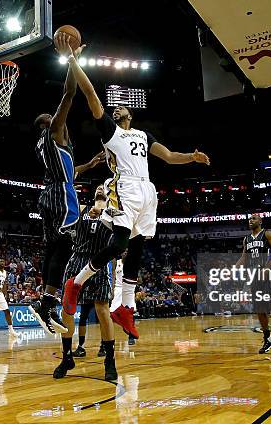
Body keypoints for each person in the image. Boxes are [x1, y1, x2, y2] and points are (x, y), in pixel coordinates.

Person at [56, 34, 210, 341]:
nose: (117, 111)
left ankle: (126, 307)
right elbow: (91, 96)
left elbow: (167, 156)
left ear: (132, 115)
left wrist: (191, 157)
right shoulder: (111, 133)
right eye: (115, 110)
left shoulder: (143, 135)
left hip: (147, 190)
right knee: (119, 245)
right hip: (124, 186)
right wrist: (73, 60)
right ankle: (78, 281)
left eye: (122, 110)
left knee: (137, 249)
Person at [28, 35, 100, 335]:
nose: (57, 117)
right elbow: (70, 92)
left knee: (53, 248)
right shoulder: (55, 130)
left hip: (51, 194)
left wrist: (88, 166)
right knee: (65, 246)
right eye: (52, 116)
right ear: (49, 123)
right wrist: (74, 58)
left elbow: (65, 173)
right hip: (62, 197)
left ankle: (43, 302)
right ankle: (47, 302)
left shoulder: (48, 147)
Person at [49, 184, 117, 380]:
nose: (99, 189)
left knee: (102, 309)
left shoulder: (113, 213)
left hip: (99, 261)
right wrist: (70, 184)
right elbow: (63, 199)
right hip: (78, 259)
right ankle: (67, 356)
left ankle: (109, 359)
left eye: (103, 188)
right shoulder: (81, 209)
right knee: (67, 308)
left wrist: (105, 211)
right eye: (97, 188)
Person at [235, 214, 271, 354]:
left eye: (254, 218)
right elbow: (244, 257)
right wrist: (234, 267)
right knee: (259, 308)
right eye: (249, 219)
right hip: (255, 276)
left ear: (260, 221)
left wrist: (268, 266)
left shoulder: (267, 234)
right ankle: (268, 338)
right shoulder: (246, 239)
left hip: (268, 274)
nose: (251, 220)